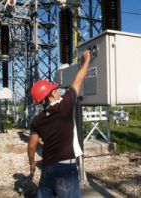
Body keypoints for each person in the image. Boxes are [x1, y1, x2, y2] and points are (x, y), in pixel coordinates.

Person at [27, 50, 91, 198]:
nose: (58, 91)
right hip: (65, 168)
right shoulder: (64, 107)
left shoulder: (37, 120)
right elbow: (78, 81)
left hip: (48, 167)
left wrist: (32, 163)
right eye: (55, 90)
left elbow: (31, 146)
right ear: (50, 96)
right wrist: (87, 60)